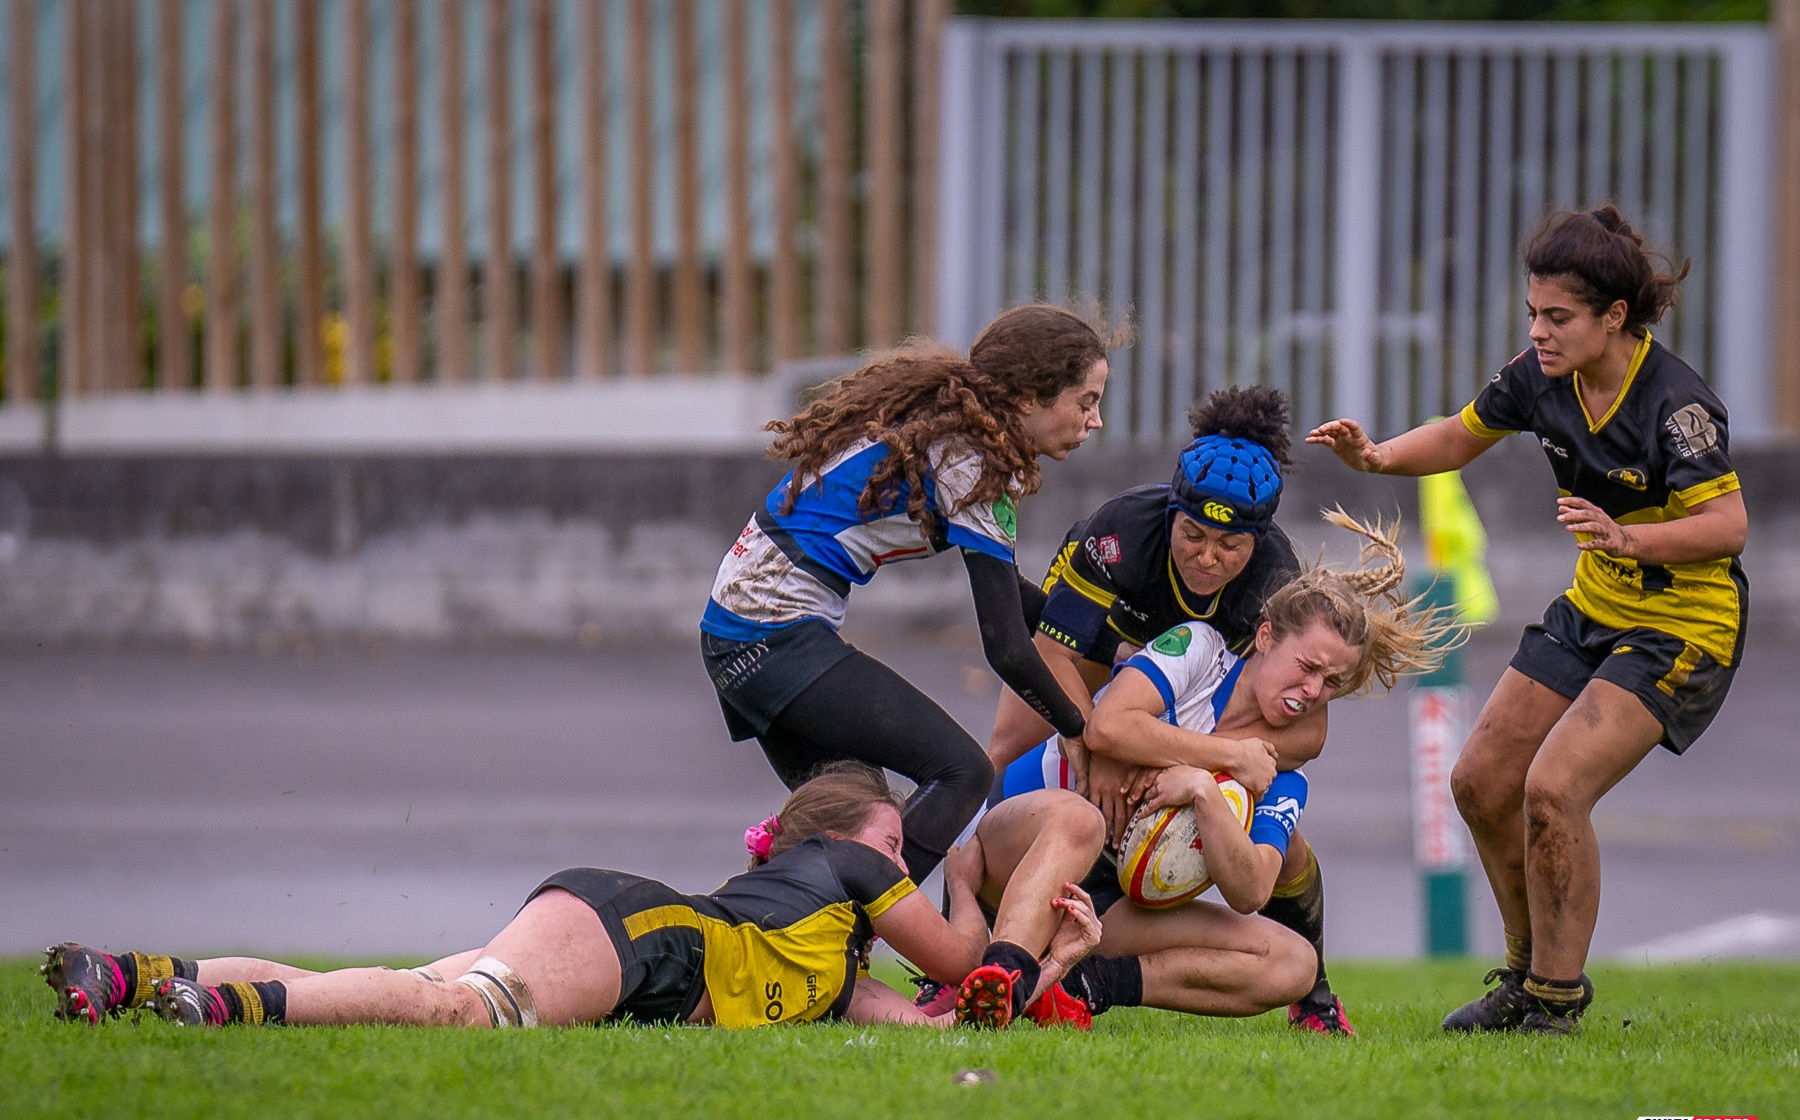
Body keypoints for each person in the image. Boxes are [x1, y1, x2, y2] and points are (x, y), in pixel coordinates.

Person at [1307, 205, 1748, 1036]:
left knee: (1555, 785)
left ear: (1614, 317)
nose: (1539, 333)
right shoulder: (1542, 375)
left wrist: (1629, 535)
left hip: (1683, 624)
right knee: (1480, 781)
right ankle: (1524, 975)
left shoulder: (1676, 404)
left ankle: (1554, 998)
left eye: (1558, 318)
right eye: (1533, 315)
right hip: (1594, 607)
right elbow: (1462, 434)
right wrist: (1377, 456)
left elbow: (1729, 527)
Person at [42, 766, 1101, 1031]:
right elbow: (966, 966)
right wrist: (968, 878)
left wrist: (1051, 958)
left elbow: (944, 1017)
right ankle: (225, 1011)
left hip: (632, 930)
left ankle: (133, 975)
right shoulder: (853, 868)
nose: (898, 851)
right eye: (890, 834)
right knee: (468, 1011)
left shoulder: (828, 965)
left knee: (417, 987)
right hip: (655, 938)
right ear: (838, 838)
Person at [970, 512, 1459, 1029]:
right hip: (1022, 851)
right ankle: (997, 966)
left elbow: (1250, 893)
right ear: (1266, 636)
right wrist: (1222, 758)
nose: (1315, 690)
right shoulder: (1198, 652)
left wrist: (1203, 792)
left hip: (1099, 902)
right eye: (1307, 667)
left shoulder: (1282, 772)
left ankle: (1078, 989)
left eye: (1333, 682)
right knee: (1079, 820)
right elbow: (1107, 729)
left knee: (1292, 963)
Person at [702, 305, 1118, 884]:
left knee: (856, 820)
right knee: (962, 773)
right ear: (1029, 398)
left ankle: (792, 933)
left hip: (740, 630)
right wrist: (1081, 726)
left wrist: (1111, 640)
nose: (1095, 420)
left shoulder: (952, 431)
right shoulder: (973, 462)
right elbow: (1007, 646)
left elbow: (1011, 596)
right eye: (1087, 401)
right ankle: (871, 930)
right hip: (771, 634)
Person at [985, 385, 1352, 1035]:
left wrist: (1193, 770)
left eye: (1230, 545)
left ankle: (1314, 990)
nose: (1209, 557)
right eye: (1194, 535)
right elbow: (1051, 657)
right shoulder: (1120, 532)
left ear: (1258, 540)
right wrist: (1096, 743)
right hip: (1096, 646)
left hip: (1184, 681)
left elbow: (1307, 731)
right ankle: (969, 941)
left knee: (1281, 832)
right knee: (1006, 749)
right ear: (1171, 514)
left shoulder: (1271, 580)